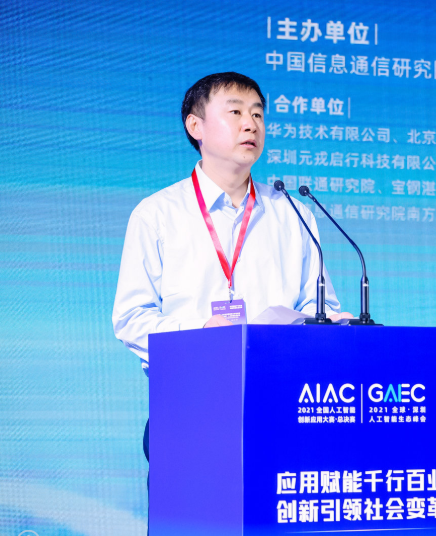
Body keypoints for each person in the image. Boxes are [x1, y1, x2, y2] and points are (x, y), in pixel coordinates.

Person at [111, 71, 351, 494]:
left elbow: (321, 307)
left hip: (282, 407)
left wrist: (330, 323)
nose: (250, 125)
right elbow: (131, 318)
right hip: (190, 407)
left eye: (258, 114)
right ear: (195, 126)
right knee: (192, 518)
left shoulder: (293, 212)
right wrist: (201, 333)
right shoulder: (157, 214)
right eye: (236, 112)